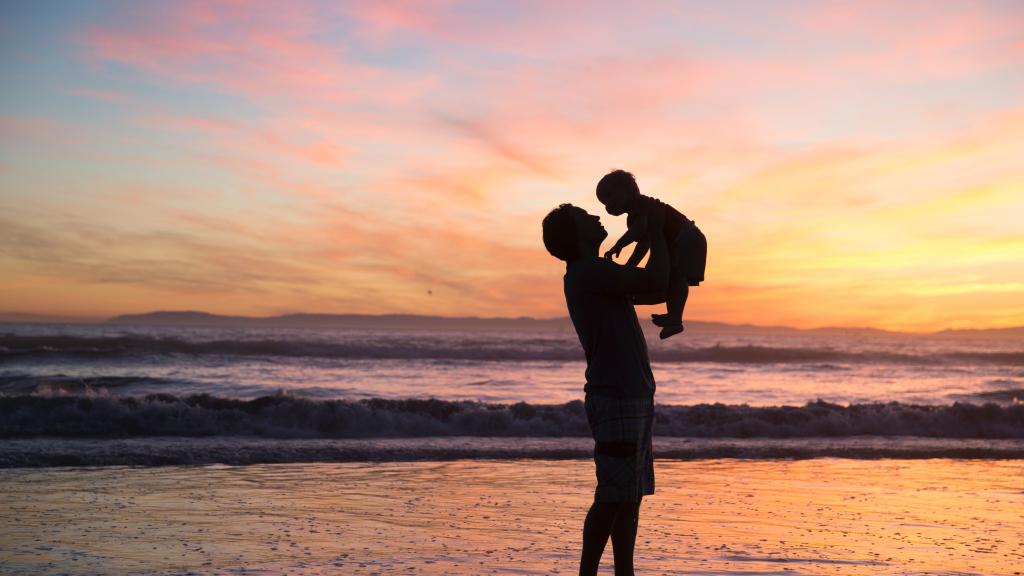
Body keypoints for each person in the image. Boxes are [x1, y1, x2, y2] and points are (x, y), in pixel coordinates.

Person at [542, 202, 669, 576]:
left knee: (627, 496)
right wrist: (659, 232)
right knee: (614, 496)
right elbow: (657, 282)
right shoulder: (588, 272)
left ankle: (623, 571)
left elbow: (651, 288)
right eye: (587, 218)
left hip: (629, 394)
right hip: (617, 396)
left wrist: (649, 244)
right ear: (576, 236)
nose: (597, 218)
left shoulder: (596, 274)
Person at [596, 170, 707, 339]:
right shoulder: (634, 216)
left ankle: (675, 317)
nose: (608, 206)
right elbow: (644, 244)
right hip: (678, 242)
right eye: (604, 202)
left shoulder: (643, 206)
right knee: (672, 278)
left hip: (688, 238)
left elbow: (639, 231)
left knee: (677, 277)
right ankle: (674, 319)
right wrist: (629, 268)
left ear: (630, 189)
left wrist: (618, 245)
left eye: (610, 197)